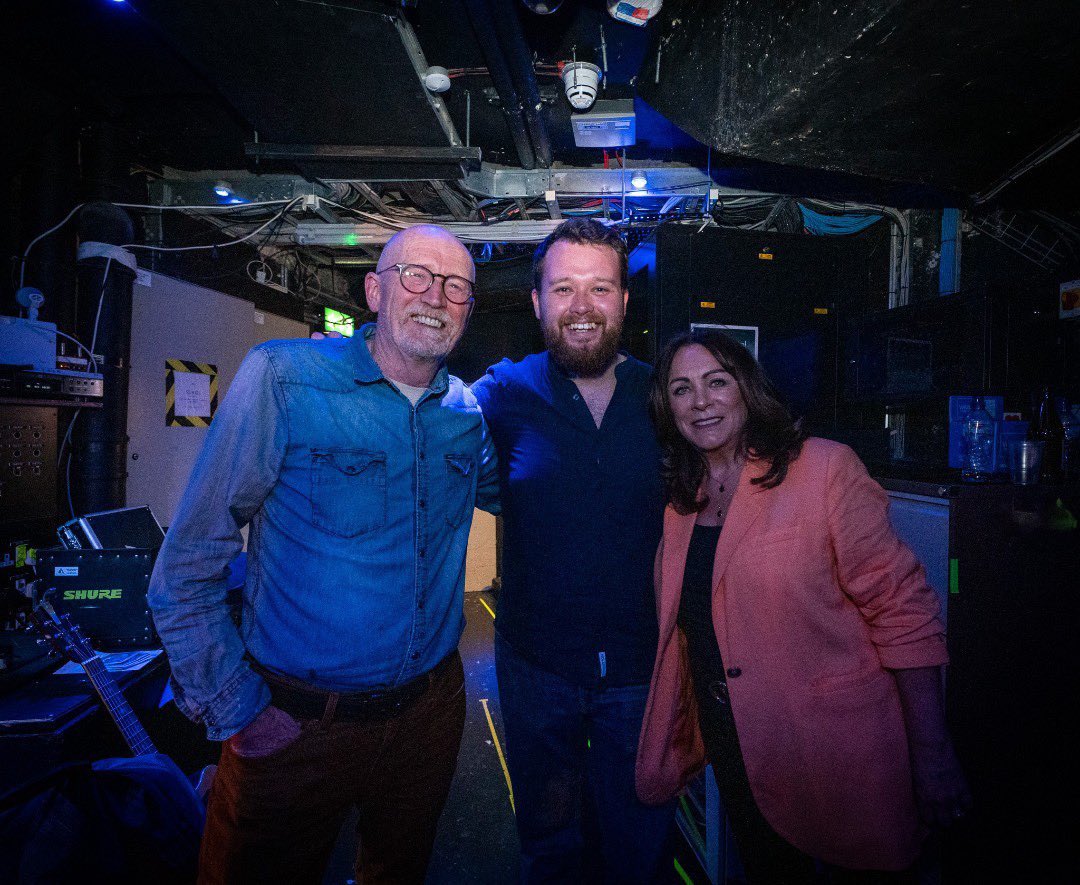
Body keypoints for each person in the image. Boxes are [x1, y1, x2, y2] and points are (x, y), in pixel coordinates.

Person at [148, 224, 499, 885]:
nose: (436, 296)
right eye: (416, 276)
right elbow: (188, 561)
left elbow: (526, 492)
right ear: (374, 289)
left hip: (426, 721)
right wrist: (236, 710)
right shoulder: (284, 377)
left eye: (457, 286)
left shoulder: (464, 411)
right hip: (296, 726)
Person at [636, 329, 972, 883]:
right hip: (738, 748)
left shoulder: (824, 470)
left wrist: (932, 757)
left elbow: (905, 614)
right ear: (667, 408)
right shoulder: (682, 501)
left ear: (747, 388)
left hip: (837, 751)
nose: (700, 401)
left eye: (717, 382)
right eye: (681, 389)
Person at [471, 218, 675, 883]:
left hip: (644, 668)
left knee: (638, 846)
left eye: (599, 288)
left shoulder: (664, 395)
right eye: (564, 289)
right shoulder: (502, 393)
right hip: (539, 668)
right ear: (537, 303)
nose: (582, 308)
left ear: (623, 300)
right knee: (551, 843)